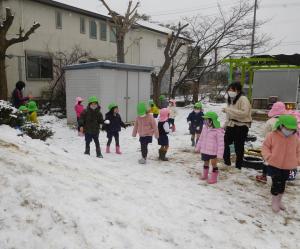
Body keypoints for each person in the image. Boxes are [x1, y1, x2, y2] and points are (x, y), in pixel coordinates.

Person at [261, 115, 300, 213]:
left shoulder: (295, 137)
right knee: (276, 182)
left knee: (283, 182)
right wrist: (269, 156)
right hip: (274, 164)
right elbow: (265, 147)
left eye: (292, 129)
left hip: (288, 165)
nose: (289, 130)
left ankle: (279, 200)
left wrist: (297, 160)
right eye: (287, 128)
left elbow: (298, 150)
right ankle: (274, 201)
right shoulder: (272, 135)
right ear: (281, 125)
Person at [223, 82, 252, 169]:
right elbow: (229, 114)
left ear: (237, 90)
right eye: (229, 89)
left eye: (231, 89)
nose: (229, 91)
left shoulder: (243, 99)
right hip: (231, 124)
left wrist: (228, 110)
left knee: (238, 146)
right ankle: (227, 162)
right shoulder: (231, 99)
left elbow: (244, 113)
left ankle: (238, 166)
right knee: (226, 143)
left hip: (241, 126)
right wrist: (225, 124)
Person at [256, 102, 287, 183]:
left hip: (271, 145)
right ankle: (281, 178)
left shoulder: (271, 121)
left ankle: (264, 176)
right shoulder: (287, 121)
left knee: (267, 160)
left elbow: (264, 133)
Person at [195, 112, 224, 184]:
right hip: (205, 150)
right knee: (205, 163)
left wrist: (220, 154)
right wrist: (197, 148)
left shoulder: (218, 131)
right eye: (204, 120)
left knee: (214, 164)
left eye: (206, 120)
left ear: (211, 121)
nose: (205, 121)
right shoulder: (204, 128)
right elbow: (201, 138)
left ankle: (213, 178)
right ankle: (205, 175)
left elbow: (221, 144)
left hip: (213, 151)